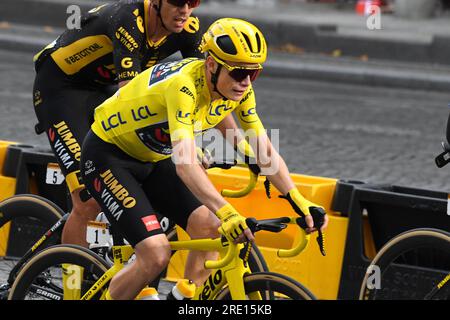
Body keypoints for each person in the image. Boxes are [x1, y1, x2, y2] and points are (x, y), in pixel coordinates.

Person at [80, 17, 329, 300]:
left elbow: (264, 150)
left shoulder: (238, 91)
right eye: (237, 73)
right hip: (108, 155)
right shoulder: (183, 87)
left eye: (253, 73)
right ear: (211, 65)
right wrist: (228, 211)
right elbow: (186, 164)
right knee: (156, 253)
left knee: (212, 228)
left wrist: (299, 200)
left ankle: (183, 298)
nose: (245, 82)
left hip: (153, 155)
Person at [32, 0, 203, 248]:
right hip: (60, 91)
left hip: (104, 89)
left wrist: (241, 147)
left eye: (193, 1)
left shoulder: (188, 27)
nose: (185, 9)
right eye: (177, 1)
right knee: (87, 198)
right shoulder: (129, 19)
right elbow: (129, 98)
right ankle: (74, 282)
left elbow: (208, 88)